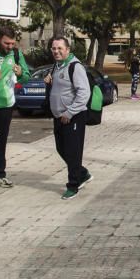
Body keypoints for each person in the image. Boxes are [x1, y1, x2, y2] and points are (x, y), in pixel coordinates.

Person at [45, 36, 92, 200]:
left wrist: (70, 112)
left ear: (67, 49)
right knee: (61, 148)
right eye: (53, 48)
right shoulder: (57, 66)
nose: (56, 51)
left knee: (73, 152)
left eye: (59, 48)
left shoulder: (75, 67)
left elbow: (84, 93)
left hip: (73, 117)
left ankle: (73, 185)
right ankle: (82, 173)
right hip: (59, 116)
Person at [0, 25, 28, 187]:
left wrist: (20, 74)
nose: (10, 47)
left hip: (5, 104)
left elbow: (26, 77)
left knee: (0, 140)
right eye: (6, 43)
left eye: (12, 44)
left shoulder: (16, 54)